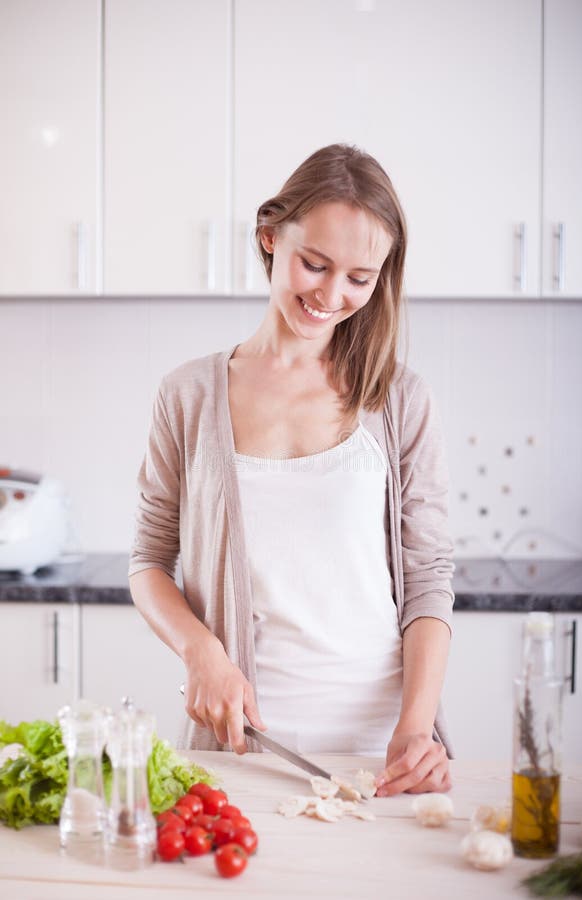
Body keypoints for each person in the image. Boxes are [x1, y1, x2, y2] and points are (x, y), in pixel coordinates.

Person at [128, 143, 455, 796]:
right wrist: (203, 654)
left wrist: (416, 729)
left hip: (380, 748)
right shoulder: (188, 396)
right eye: (315, 263)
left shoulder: (398, 399)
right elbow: (147, 563)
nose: (331, 295)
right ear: (270, 236)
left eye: (360, 278)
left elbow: (428, 581)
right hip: (242, 743)